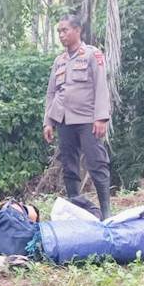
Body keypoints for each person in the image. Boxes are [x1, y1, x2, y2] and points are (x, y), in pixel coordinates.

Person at [43, 14, 113, 218]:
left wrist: (101, 118)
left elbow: (101, 86)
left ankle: (106, 212)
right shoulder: (59, 61)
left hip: (87, 119)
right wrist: (48, 121)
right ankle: (76, 208)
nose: (61, 35)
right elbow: (51, 93)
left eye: (65, 30)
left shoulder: (92, 54)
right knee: (69, 166)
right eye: (59, 32)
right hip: (64, 120)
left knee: (96, 162)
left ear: (77, 30)